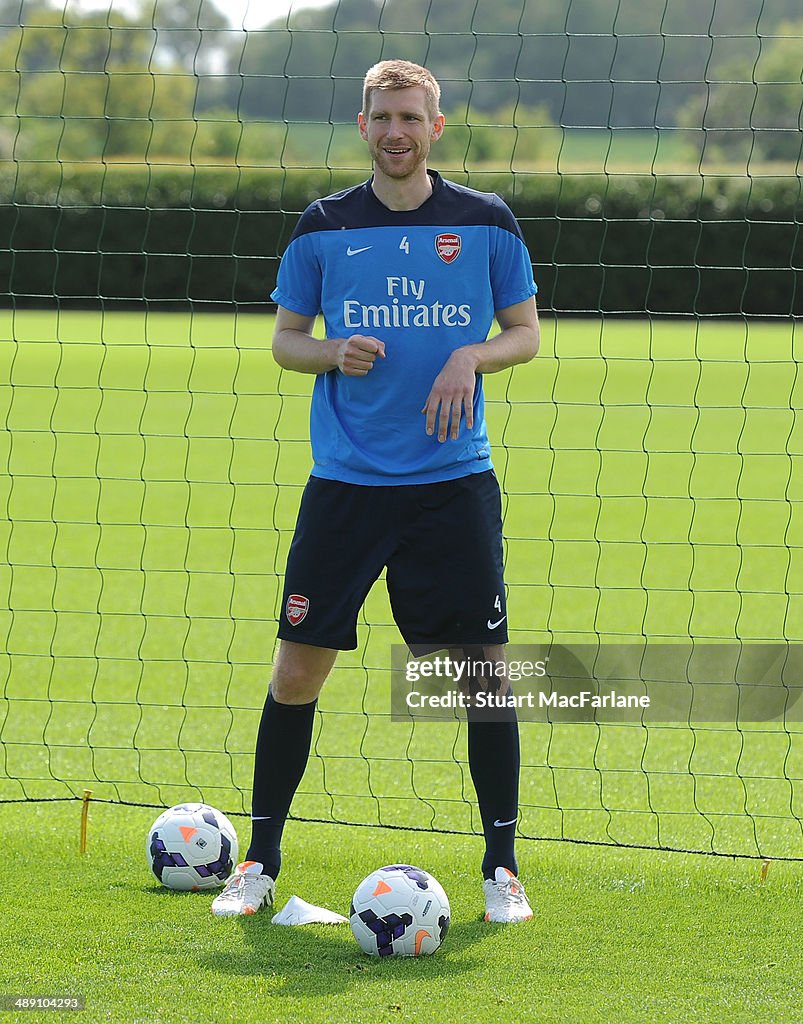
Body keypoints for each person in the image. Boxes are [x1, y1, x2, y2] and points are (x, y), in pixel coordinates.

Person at [212, 59, 539, 924]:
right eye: (382, 117)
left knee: (481, 679)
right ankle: (259, 862)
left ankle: (500, 871)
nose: (396, 131)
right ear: (363, 126)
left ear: (436, 126)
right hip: (347, 488)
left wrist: (470, 354)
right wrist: (333, 351)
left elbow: (526, 333)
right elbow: (287, 340)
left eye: (411, 117)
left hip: (453, 485)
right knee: (296, 672)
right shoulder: (323, 227)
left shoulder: (484, 222)